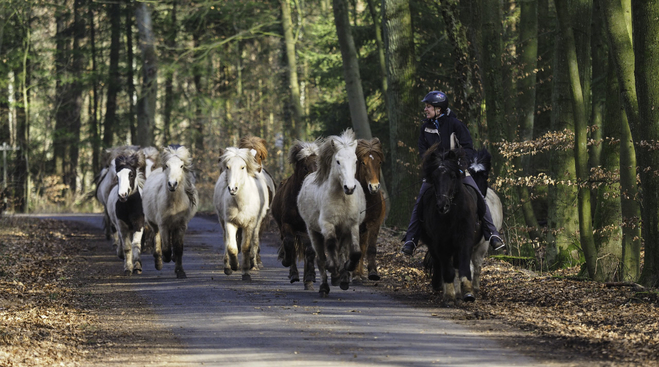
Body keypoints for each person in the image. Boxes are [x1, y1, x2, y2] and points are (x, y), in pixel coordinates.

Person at [400, 90, 505, 256]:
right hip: (435, 175)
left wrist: (460, 166)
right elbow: (423, 152)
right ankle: (411, 239)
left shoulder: (455, 125)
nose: (425, 110)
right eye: (426, 107)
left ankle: (492, 234)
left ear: (438, 110)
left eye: (428, 107)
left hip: (457, 172)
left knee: (478, 196)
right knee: (420, 201)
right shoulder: (425, 128)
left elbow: (468, 148)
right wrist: (431, 167)